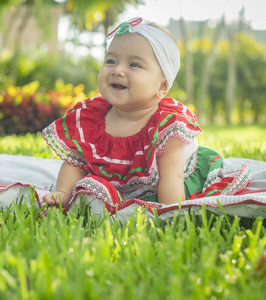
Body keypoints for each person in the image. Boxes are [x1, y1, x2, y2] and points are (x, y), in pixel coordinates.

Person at [41, 17, 251, 212]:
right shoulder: (90, 118)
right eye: (111, 61)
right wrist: (63, 192)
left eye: (134, 64)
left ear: (162, 86)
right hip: (116, 186)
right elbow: (75, 162)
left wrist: (170, 213)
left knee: (154, 200)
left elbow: (172, 177)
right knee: (87, 189)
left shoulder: (166, 126)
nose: (118, 71)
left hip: (165, 188)